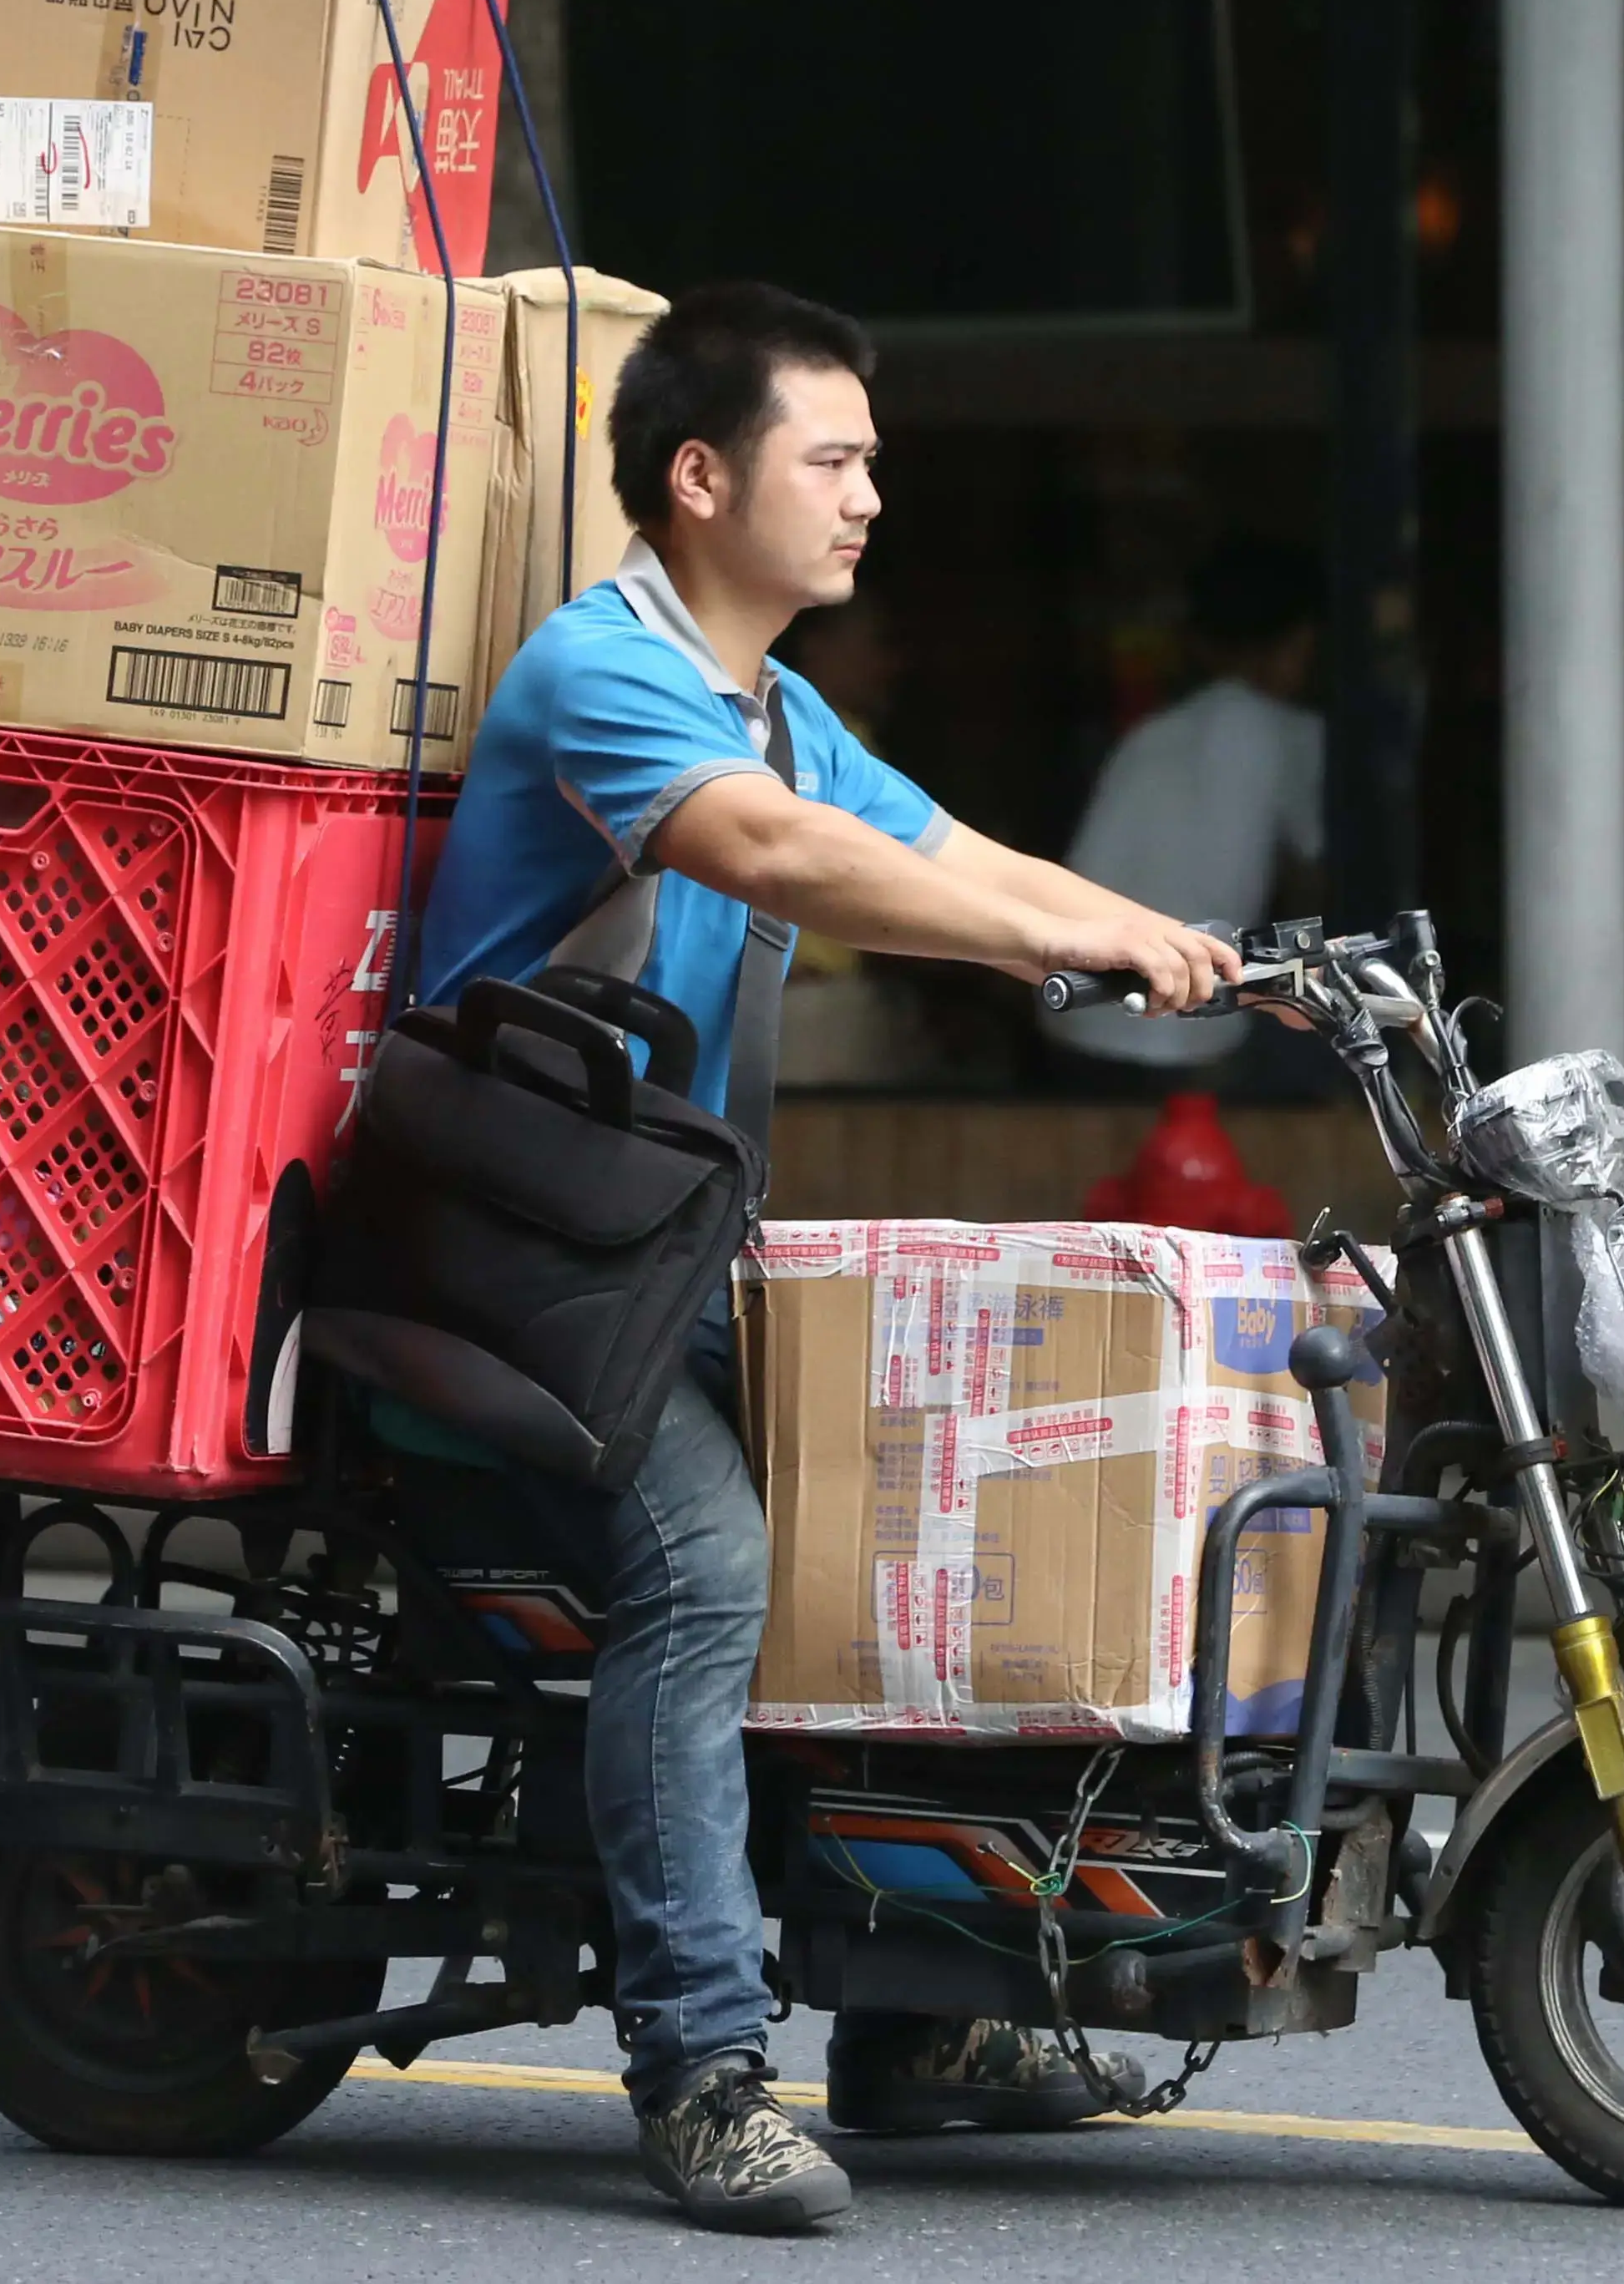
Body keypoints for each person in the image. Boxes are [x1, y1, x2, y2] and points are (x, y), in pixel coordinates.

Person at [408, 281, 1239, 2233]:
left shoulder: (768, 702)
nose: (869, 496)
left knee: (897, 1506)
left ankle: (913, 2015)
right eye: (831, 458)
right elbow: (781, 863)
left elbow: (948, 855)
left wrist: (1194, 949)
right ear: (699, 479)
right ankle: (700, 2068)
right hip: (503, 1247)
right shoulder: (600, 674)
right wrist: (1067, 952)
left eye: (872, 460)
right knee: (702, 1572)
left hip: (640, 1242)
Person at [1040, 542, 1326, 1090]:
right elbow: (1310, 892)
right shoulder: (1289, 734)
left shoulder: (1148, 736)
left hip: (1074, 1018)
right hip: (1189, 1037)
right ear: (1299, 645)